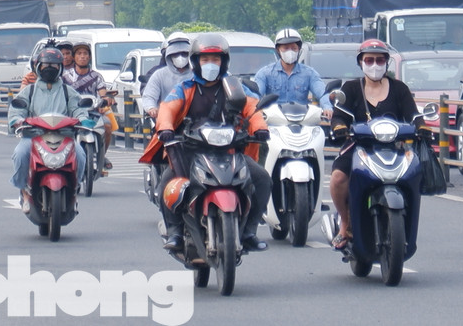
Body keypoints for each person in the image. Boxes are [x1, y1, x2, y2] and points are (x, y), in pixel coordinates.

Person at [142, 33, 273, 255]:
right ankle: (174, 232)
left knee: (262, 179)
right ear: (196, 62)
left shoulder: (235, 87)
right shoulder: (185, 87)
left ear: (224, 62)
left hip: (230, 151)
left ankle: (249, 232)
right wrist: (165, 128)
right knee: (167, 184)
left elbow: (252, 107)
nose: (210, 65)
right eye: (205, 60)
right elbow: (168, 108)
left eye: (215, 60)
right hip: (190, 152)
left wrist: (260, 128)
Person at [327, 38, 420, 249]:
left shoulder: (400, 89)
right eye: (369, 60)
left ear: (387, 63)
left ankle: (407, 223)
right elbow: (339, 116)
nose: (375, 65)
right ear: (361, 62)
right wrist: (340, 127)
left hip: (395, 149)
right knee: (338, 178)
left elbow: (414, 116)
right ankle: (345, 223)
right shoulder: (350, 89)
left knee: (414, 172)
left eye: (380, 60)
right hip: (359, 148)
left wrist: (421, 126)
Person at [9, 46, 90, 205]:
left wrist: (83, 119)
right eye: (46, 65)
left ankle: (74, 189)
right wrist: (17, 120)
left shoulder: (68, 91)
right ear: (38, 67)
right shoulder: (29, 91)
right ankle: (23, 190)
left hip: (64, 137)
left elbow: (78, 109)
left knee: (80, 155)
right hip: (33, 137)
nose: (50, 69)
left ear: (60, 68)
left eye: (54, 66)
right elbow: (17, 109)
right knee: (19, 154)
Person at [63, 42, 117, 171]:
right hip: (72, 113)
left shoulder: (97, 76)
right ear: (74, 57)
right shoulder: (65, 77)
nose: (82, 56)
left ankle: (102, 156)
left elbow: (102, 94)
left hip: (92, 112)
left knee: (108, 126)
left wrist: (106, 100)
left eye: (85, 54)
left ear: (90, 57)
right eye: (79, 54)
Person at [252, 27, 329, 108]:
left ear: (299, 49)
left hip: (303, 118)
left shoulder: (309, 73)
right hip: (273, 119)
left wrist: (327, 107)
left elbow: (322, 92)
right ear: (278, 50)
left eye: (293, 48)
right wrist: (254, 105)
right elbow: (256, 94)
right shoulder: (265, 73)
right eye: (286, 48)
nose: (290, 51)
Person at [140, 34, 194, 118]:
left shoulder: (198, 74)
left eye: (184, 54)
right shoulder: (159, 74)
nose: (180, 57)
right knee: (165, 131)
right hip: (167, 118)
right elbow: (149, 95)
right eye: (176, 54)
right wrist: (151, 108)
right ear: (169, 55)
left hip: (195, 119)